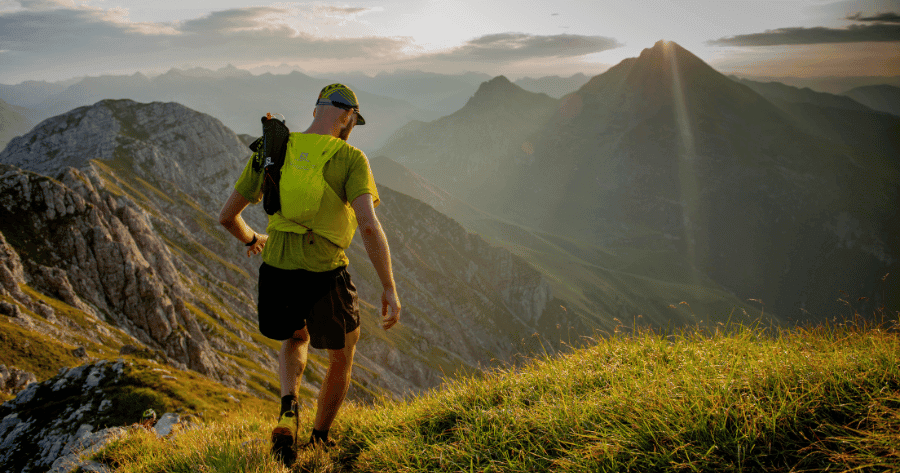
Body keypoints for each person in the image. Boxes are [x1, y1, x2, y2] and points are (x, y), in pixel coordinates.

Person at [218, 83, 401, 464]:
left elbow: (227, 217)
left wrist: (254, 238)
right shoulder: (350, 157)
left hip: (276, 269)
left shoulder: (273, 149)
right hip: (324, 272)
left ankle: (289, 409)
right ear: (348, 117)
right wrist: (388, 286)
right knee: (342, 355)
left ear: (316, 110)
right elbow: (368, 226)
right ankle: (319, 438)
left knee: (295, 337)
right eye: (353, 121)